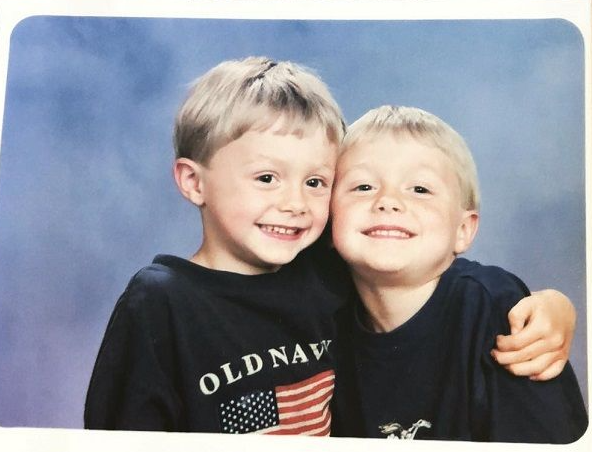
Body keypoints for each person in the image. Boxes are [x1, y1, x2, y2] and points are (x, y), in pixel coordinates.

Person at [84, 57, 577, 435]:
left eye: (317, 182)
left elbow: (421, 270)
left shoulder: (325, 275)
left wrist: (555, 306)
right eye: (267, 177)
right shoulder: (159, 303)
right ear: (194, 182)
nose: (295, 202)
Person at [330, 105, 587, 442]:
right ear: (328, 214)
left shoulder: (494, 310)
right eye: (363, 187)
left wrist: (558, 304)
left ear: (462, 230)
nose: (387, 201)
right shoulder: (319, 315)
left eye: (419, 189)